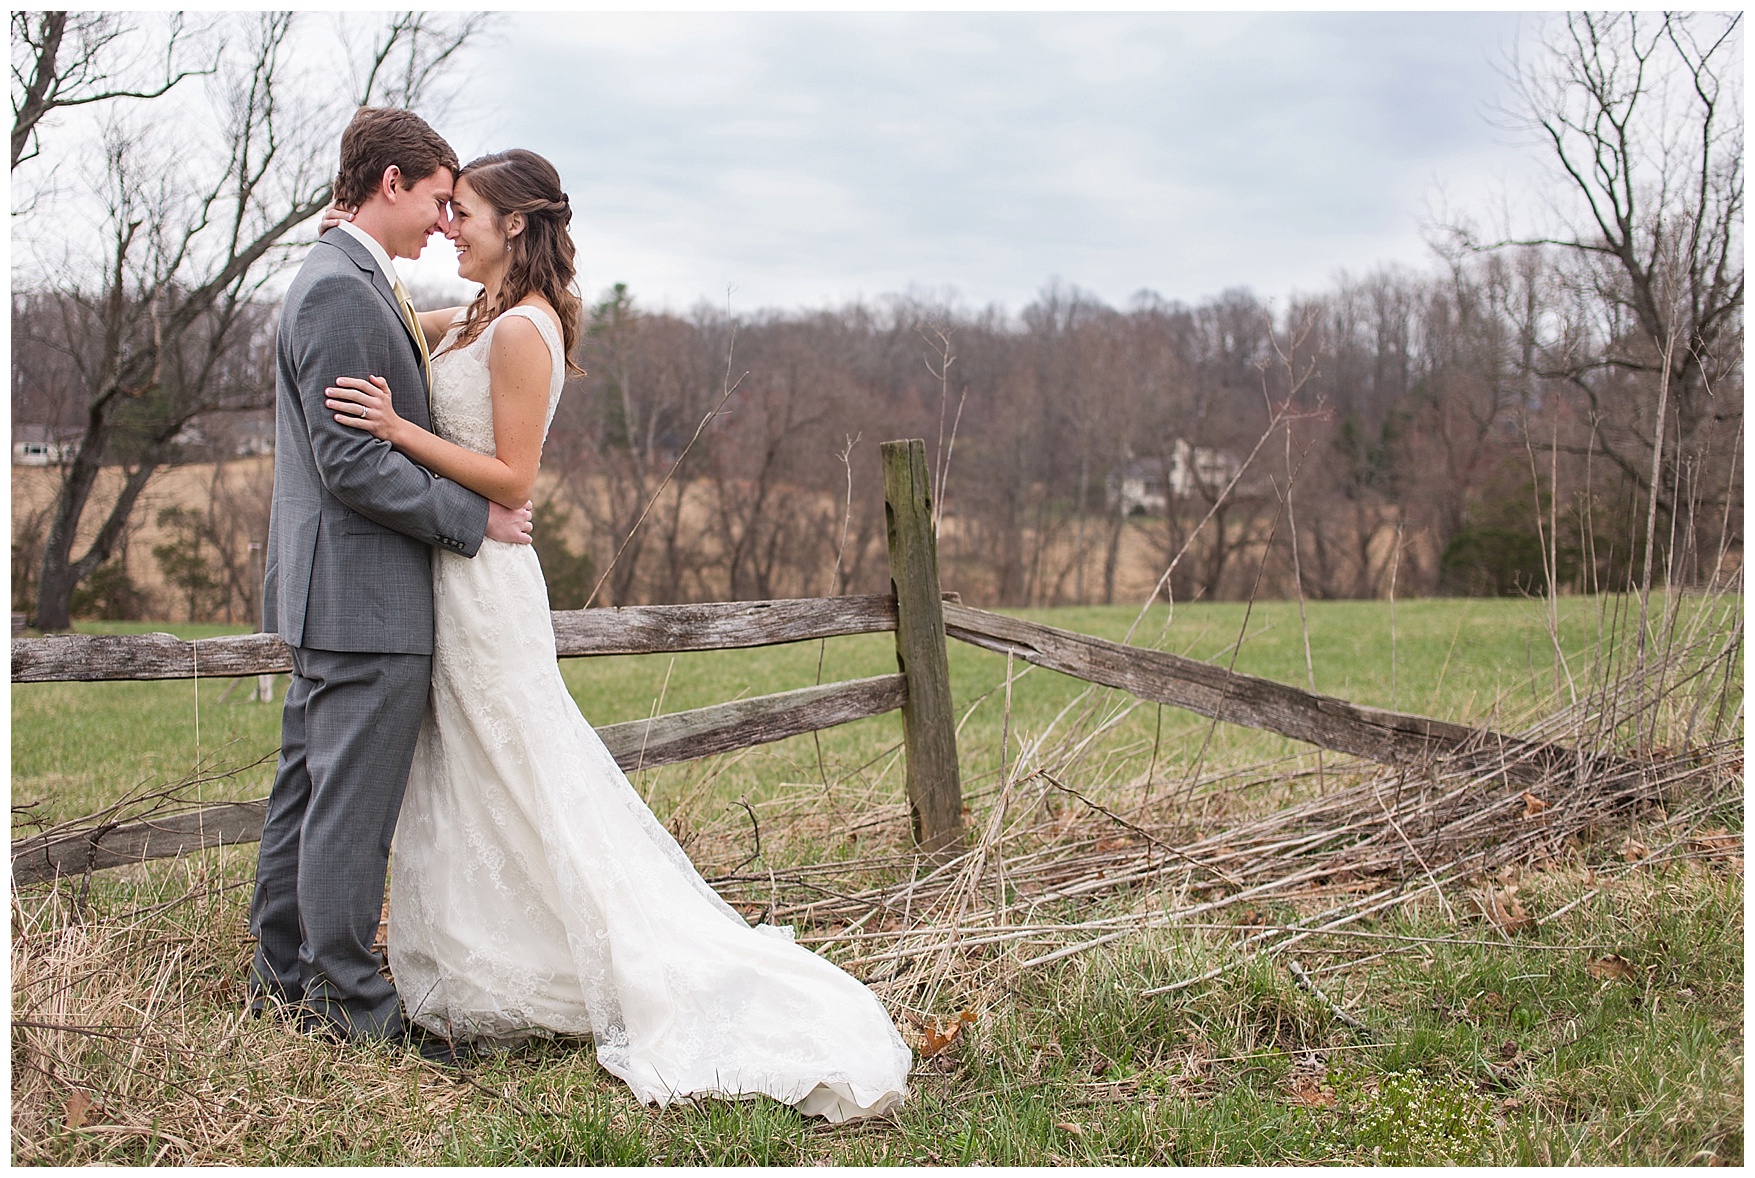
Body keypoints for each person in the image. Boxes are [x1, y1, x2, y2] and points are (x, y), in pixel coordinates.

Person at [318, 148, 912, 1121]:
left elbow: (513, 479)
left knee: (521, 767)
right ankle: (483, 958)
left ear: (513, 222)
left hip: (485, 584)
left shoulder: (521, 329)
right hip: (454, 579)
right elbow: (390, 320)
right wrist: (352, 243)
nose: (447, 227)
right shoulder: (474, 314)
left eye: (460, 211)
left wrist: (393, 428)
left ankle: (580, 963)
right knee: (474, 770)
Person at [252, 107, 536, 1058]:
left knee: (307, 790)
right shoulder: (339, 289)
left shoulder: (350, 274)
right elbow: (352, 465)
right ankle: (349, 1003)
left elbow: (414, 341)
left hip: (336, 594)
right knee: (347, 807)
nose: (442, 222)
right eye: (436, 200)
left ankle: (282, 979)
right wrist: (476, 519)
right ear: (391, 185)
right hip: (363, 599)